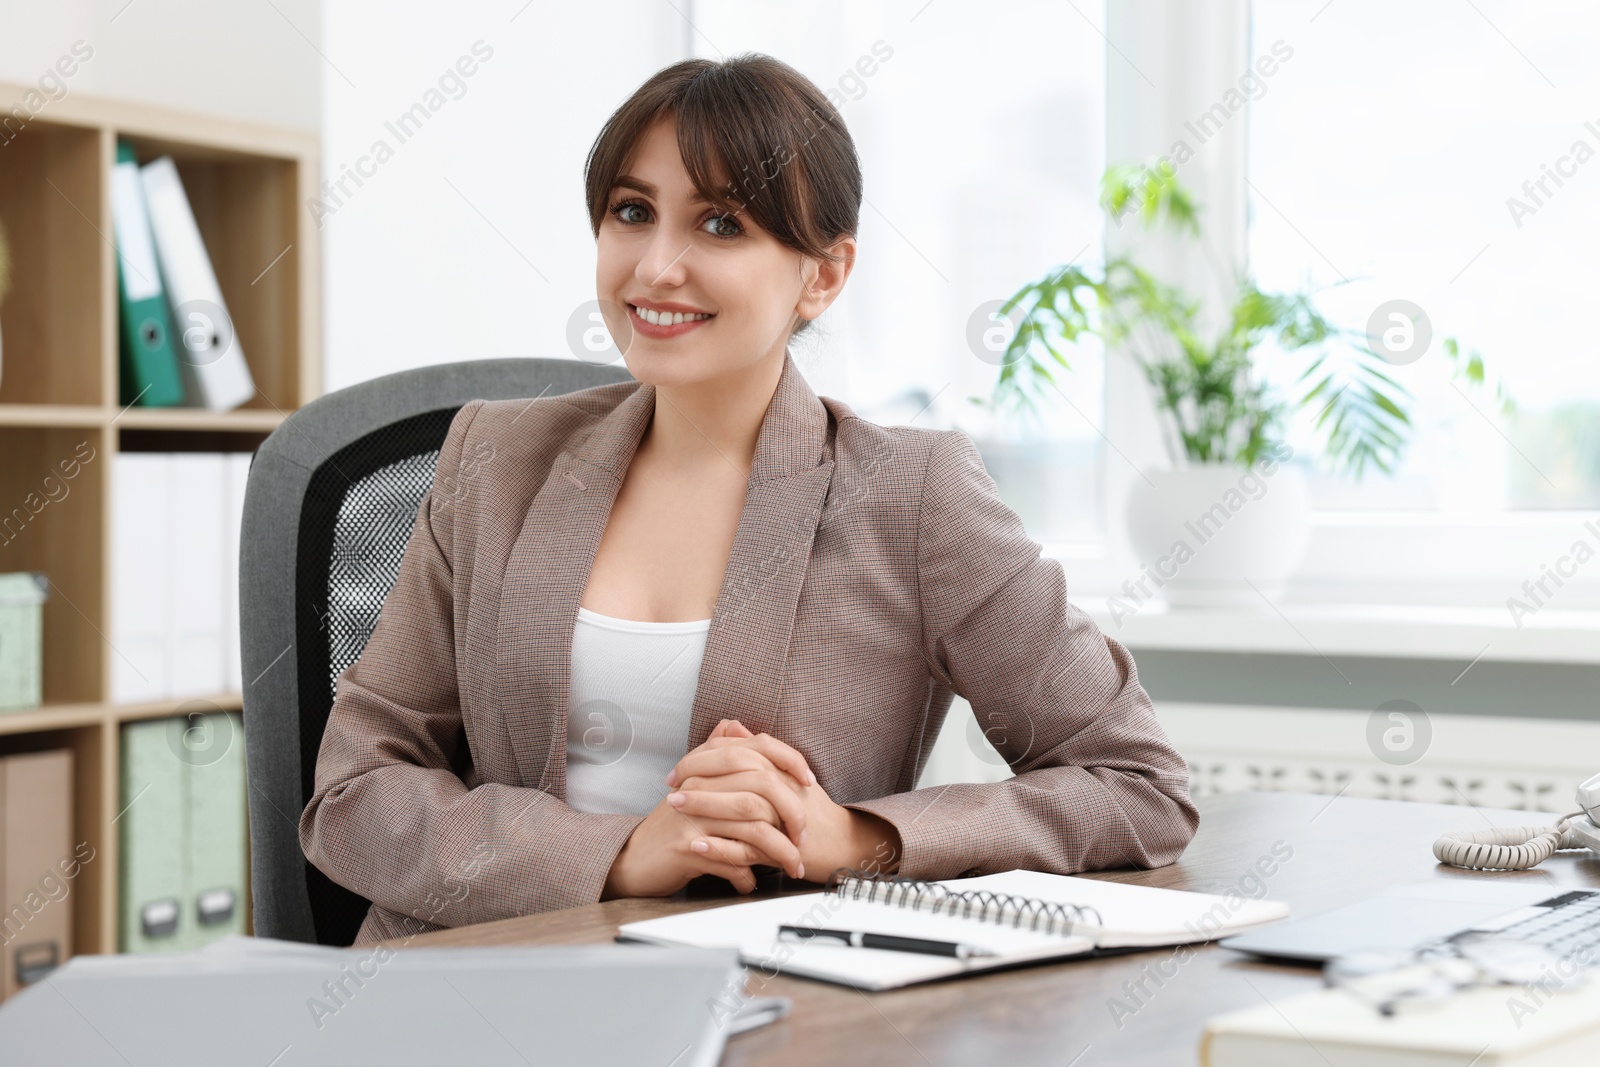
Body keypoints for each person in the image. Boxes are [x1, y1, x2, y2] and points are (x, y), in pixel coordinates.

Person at [299, 53, 1198, 946]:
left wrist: (858, 836)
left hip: (776, 1005)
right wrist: (614, 854)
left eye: (721, 224)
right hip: (481, 992)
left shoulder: (912, 496)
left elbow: (1137, 784)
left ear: (825, 273)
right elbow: (354, 789)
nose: (656, 267)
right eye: (632, 212)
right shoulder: (494, 460)